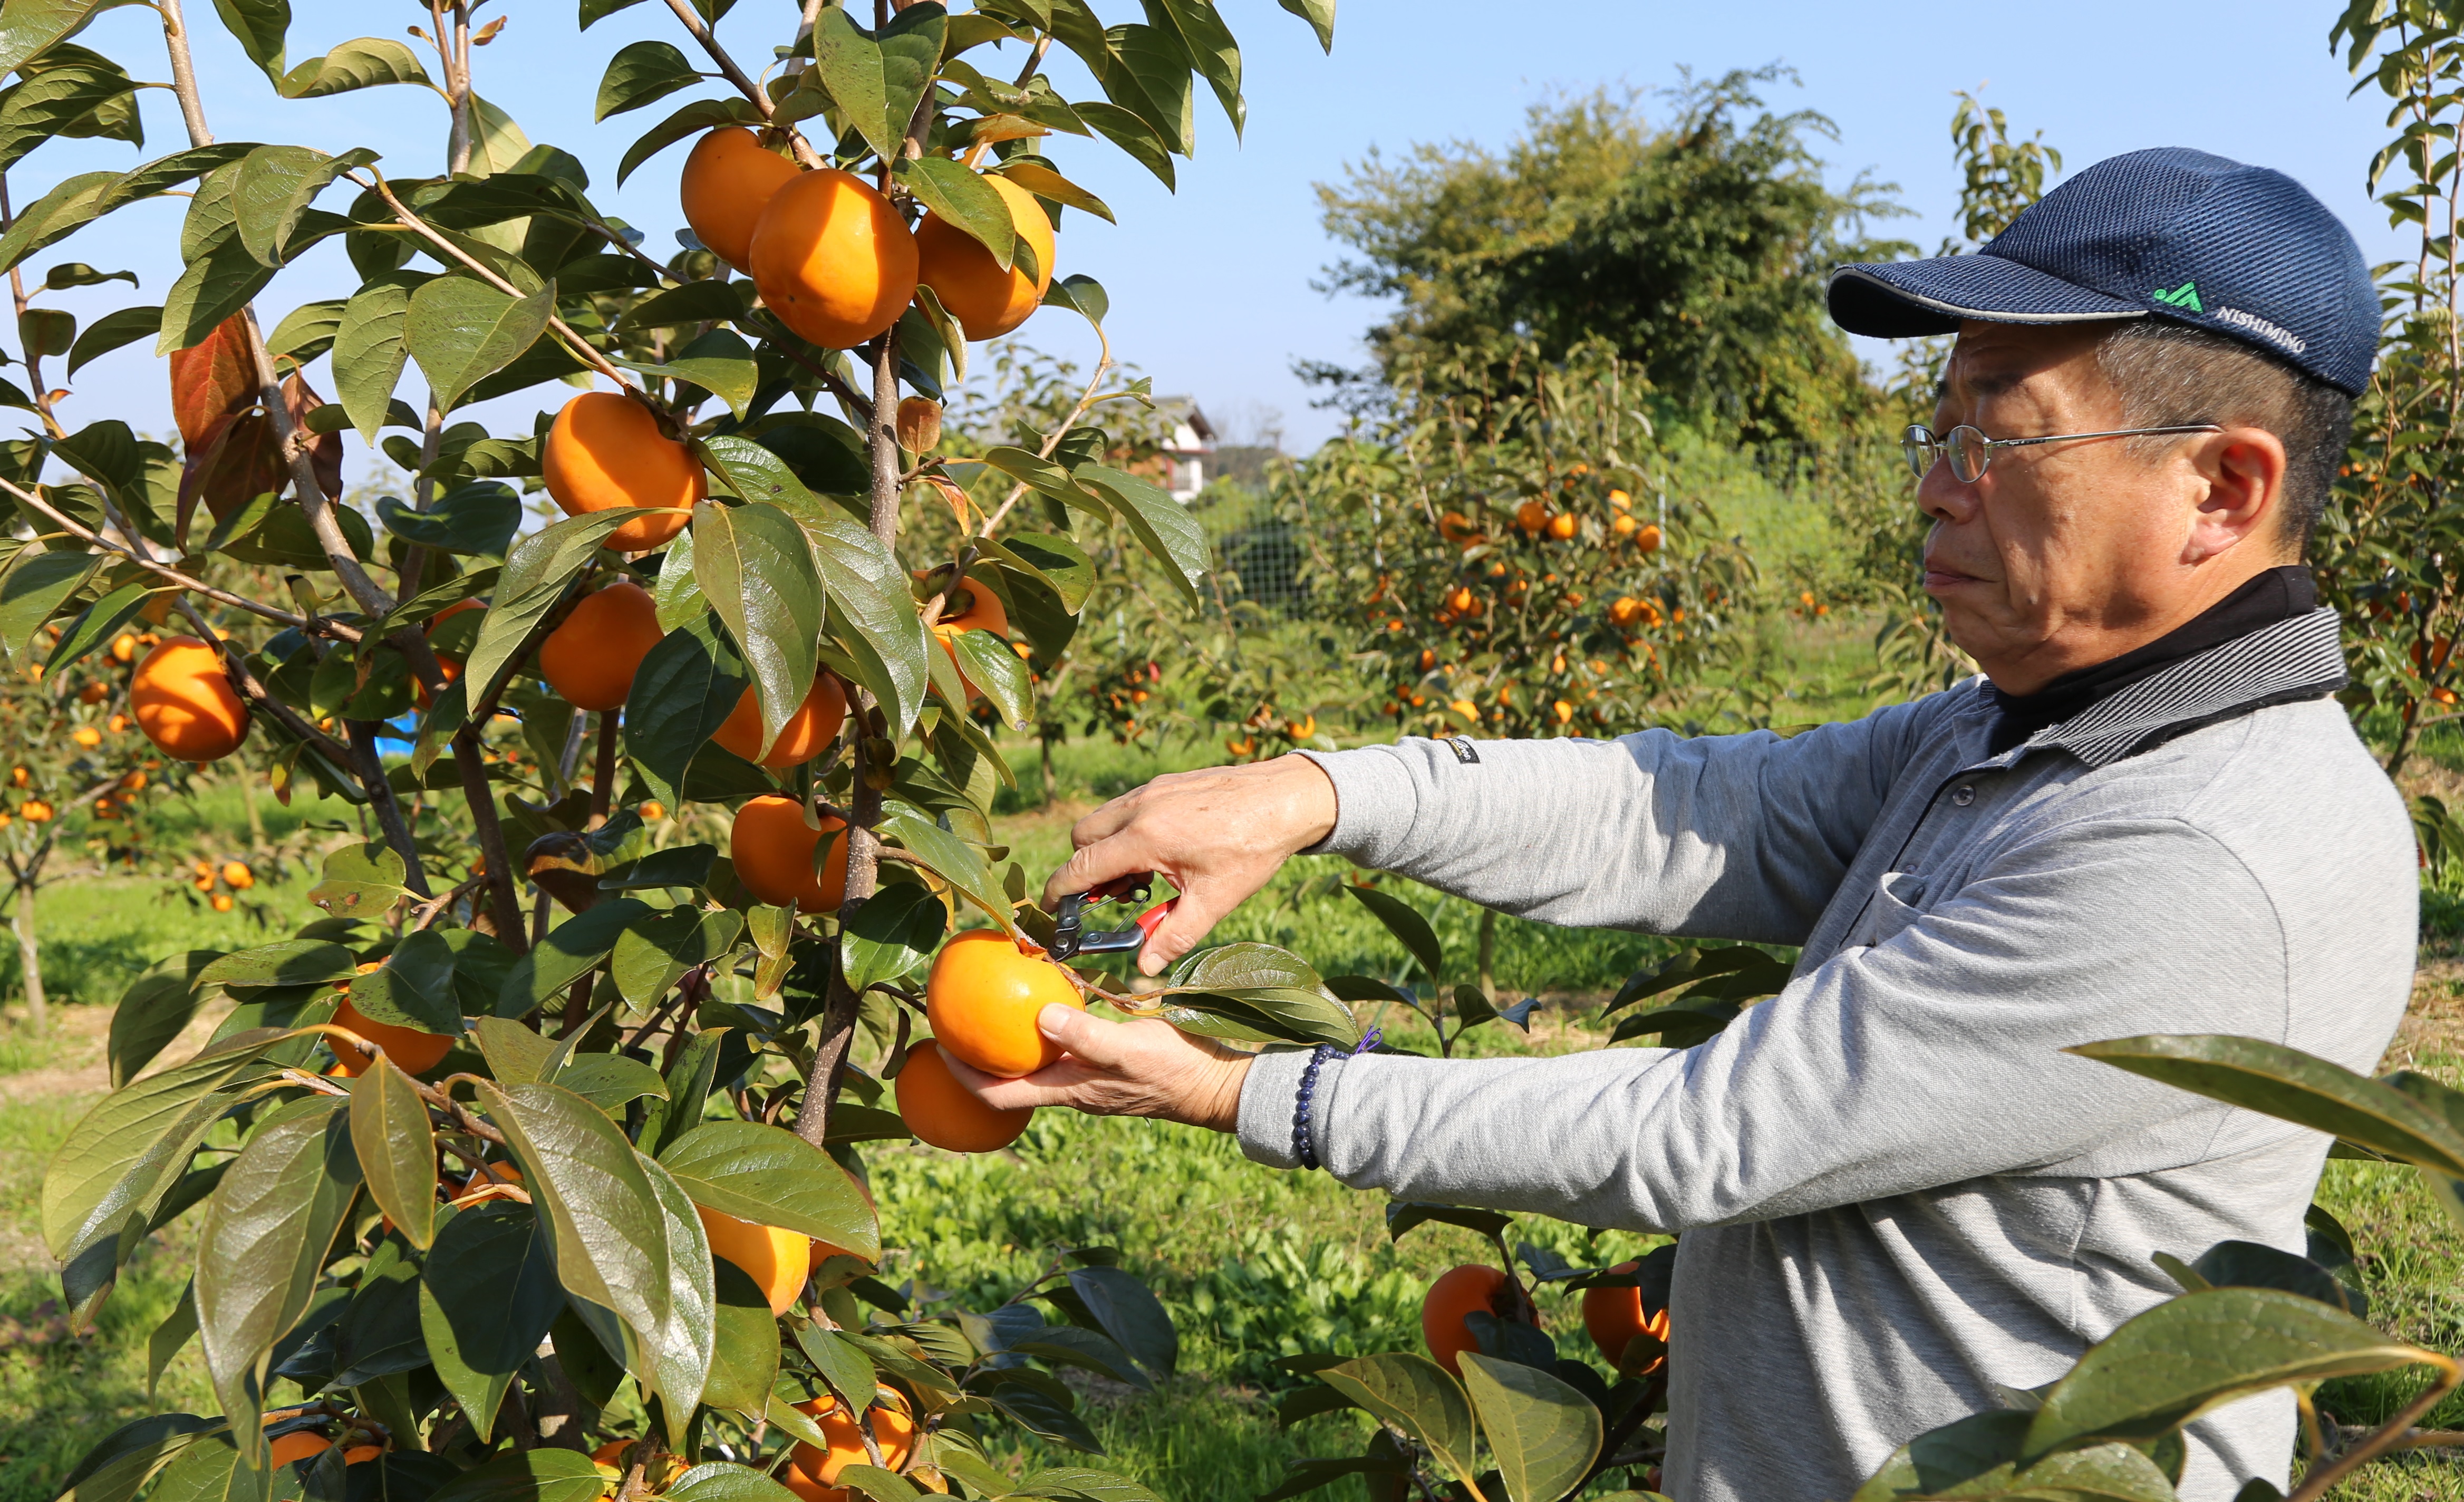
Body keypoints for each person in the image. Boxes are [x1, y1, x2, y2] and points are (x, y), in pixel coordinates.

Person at [951, 148, 2417, 1500]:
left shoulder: (2203, 847)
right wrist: (1318, 794)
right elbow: (1696, 808)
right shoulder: (2027, 725)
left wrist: (1234, 1089)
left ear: (2220, 488)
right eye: (1938, 423)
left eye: (1998, 441)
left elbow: (1714, 1128)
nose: (1932, 486)